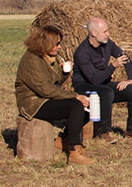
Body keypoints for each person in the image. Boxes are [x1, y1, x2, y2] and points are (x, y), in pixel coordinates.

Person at [15, 25, 95, 165]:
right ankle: (73, 152)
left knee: (88, 103)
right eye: (56, 43)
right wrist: (75, 96)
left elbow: (55, 81)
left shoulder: (50, 57)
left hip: (46, 99)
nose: (59, 47)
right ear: (45, 44)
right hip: (33, 103)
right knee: (75, 105)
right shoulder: (31, 60)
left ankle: (63, 140)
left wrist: (65, 72)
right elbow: (45, 89)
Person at [72, 17, 132, 143]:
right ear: (94, 33)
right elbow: (94, 80)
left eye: (107, 31)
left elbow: (125, 57)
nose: (108, 34)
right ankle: (103, 132)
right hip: (85, 86)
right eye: (105, 31)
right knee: (106, 92)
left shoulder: (107, 43)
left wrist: (130, 79)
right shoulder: (82, 52)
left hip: (103, 83)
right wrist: (113, 66)